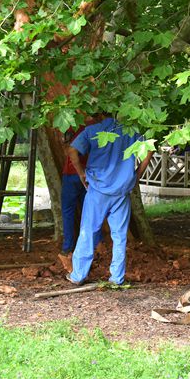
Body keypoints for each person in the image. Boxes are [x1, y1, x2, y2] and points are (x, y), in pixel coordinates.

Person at [62, 113, 153, 286]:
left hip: (97, 189)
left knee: (88, 231)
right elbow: (149, 150)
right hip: (121, 190)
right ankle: (117, 278)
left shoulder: (93, 130)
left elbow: (72, 150)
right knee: (119, 236)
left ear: (101, 114)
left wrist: (81, 173)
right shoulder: (131, 131)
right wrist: (137, 177)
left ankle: (78, 275)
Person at [59, 122, 101, 262]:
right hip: (89, 174)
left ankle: (67, 247)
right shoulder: (94, 129)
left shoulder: (70, 128)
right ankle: (93, 245)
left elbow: (68, 150)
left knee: (68, 212)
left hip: (71, 174)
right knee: (90, 212)